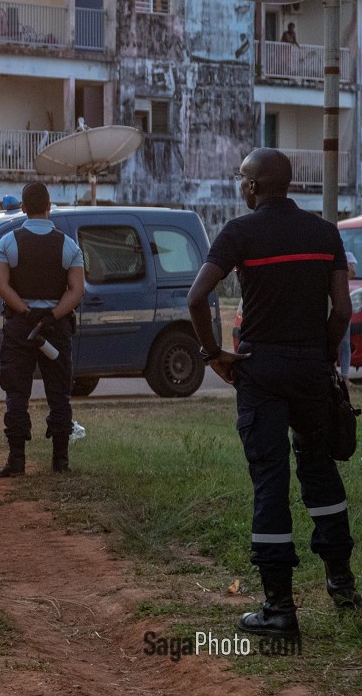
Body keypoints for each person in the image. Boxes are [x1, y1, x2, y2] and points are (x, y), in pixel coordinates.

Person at [187, 148, 359, 640]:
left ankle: (279, 609)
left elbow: (198, 297)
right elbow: (343, 312)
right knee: (320, 468)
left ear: (254, 187)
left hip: (258, 370)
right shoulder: (324, 232)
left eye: (242, 178)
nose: (240, 184)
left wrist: (213, 354)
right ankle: (341, 584)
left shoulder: (239, 233)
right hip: (310, 368)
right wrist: (322, 356)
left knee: (270, 481)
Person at [0, 182, 85, 477]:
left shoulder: (7, 243)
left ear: (23, 208)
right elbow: (76, 290)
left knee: (17, 392)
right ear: (48, 207)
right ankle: (61, 461)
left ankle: (16, 460)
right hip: (56, 329)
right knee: (59, 393)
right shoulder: (69, 245)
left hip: (20, 327)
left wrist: (27, 312)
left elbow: (0, 285)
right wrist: (52, 315)